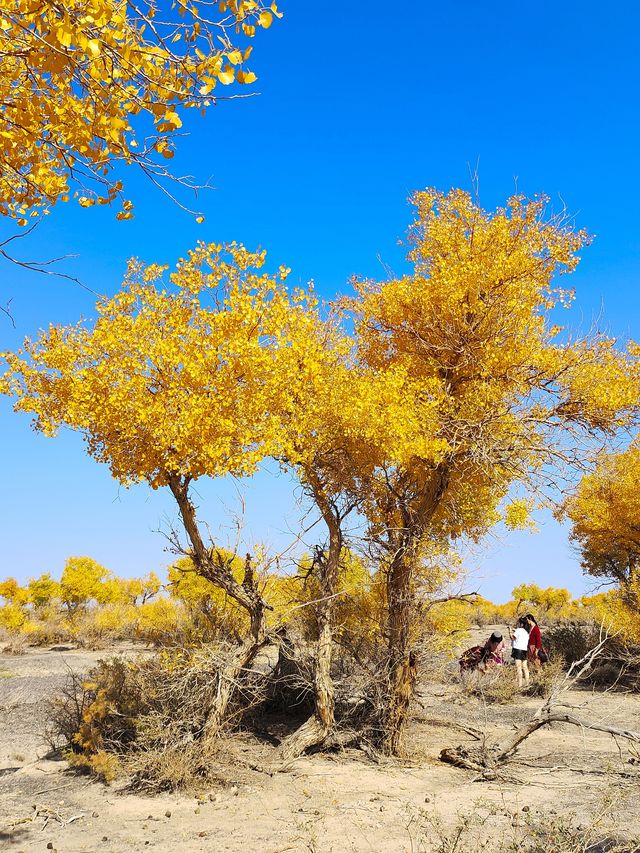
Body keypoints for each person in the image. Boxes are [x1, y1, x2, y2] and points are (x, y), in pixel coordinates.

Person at [509, 617, 530, 687]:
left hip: (518, 650)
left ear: (521, 624)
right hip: (524, 650)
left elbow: (512, 638)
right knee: (525, 667)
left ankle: (520, 684)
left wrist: (509, 631)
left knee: (518, 667)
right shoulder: (526, 631)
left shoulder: (518, 630)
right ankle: (527, 683)